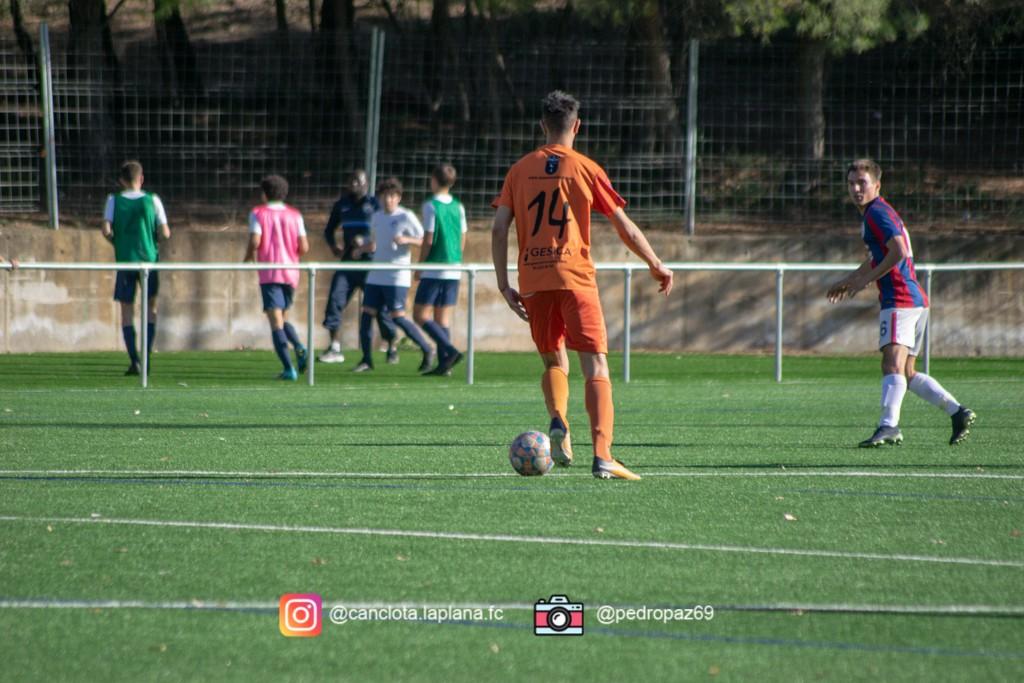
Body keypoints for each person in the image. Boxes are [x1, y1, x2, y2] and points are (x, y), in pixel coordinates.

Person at [491, 90, 673, 481]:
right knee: (595, 364)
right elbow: (623, 225)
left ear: (542, 126)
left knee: (554, 361)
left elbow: (499, 227)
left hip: (534, 280)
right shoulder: (586, 168)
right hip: (575, 278)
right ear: (577, 126)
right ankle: (603, 455)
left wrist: (505, 285)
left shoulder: (518, 170)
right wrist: (655, 263)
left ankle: (559, 418)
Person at [827, 159, 975, 447]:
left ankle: (888, 426)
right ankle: (957, 412)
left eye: (862, 183)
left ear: (877, 185)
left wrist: (865, 281)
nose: (856, 189)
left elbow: (898, 251)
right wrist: (851, 279)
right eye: (851, 183)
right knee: (906, 371)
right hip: (915, 299)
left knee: (892, 365)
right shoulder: (879, 212)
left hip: (900, 299)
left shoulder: (876, 213)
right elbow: (878, 256)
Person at [352, 177, 434, 373]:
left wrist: (407, 239)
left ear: (398, 197)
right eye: (384, 196)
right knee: (366, 316)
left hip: (397, 276)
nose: (388, 200)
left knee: (397, 317)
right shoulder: (377, 217)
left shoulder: (406, 216)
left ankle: (427, 349)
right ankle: (366, 360)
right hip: (376, 275)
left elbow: (424, 240)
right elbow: (375, 244)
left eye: (392, 196)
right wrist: (361, 249)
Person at [320, 169, 400, 365]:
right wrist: (334, 247)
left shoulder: (374, 205)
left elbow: (383, 230)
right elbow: (329, 230)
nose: (354, 184)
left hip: (370, 264)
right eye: (351, 180)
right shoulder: (342, 205)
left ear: (366, 184)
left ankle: (391, 346)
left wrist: (365, 241)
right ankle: (335, 348)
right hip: (348, 264)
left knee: (379, 308)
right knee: (335, 301)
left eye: (358, 181)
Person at [101, 160, 170, 376]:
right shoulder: (152, 200)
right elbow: (165, 232)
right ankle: (146, 358)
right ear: (141, 178)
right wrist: (153, 241)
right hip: (149, 261)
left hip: (125, 261)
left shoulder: (114, 200)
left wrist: (118, 242)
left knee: (126, 311)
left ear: (122, 181)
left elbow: (106, 229)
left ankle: (135, 361)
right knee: (151, 309)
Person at [244, 174, 310, 381]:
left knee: (276, 322)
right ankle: (299, 347)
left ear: (264, 194)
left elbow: (255, 240)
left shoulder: (258, 213)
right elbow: (304, 247)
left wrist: (248, 256)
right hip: (291, 273)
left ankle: (289, 367)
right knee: (282, 317)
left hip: (271, 273)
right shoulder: (295, 214)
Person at [414, 163, 467, 376]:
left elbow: (428, 238)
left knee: (420, 315)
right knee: (442, 318)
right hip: (454, 266)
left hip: (435, 266)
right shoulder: (458, 206)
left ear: (434, 180)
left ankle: (450, 351)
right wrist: (456, 258)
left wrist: (420, 265)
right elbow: (463, 236)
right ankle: (445, 364)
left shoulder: (431, 205)